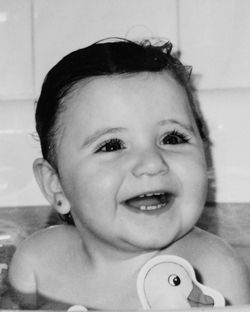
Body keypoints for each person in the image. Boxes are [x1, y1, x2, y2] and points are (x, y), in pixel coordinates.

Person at [8, 38, 250, 309]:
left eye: (172, 138)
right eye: (112, 145)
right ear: (57, 187)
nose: (151, 163)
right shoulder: (37, 263)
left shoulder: (212, 273)